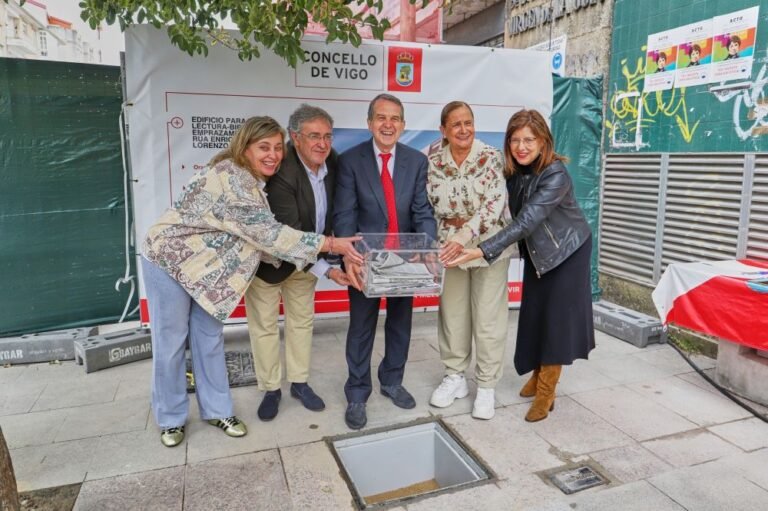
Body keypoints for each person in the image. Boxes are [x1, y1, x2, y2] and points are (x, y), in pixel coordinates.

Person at [141, 116, 361, 447]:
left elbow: (264, 246)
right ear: (245, 148)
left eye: (277, 147)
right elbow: (270, 235)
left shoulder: (254, 182)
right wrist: (331, 245)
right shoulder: (233, 177)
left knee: (209, 338)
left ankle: (217, 410)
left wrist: (327, 270)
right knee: (171, 343)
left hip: (208, 273)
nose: (273, 154)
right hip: (170, 261)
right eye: (263, 148)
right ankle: (171, 418)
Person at [446, 109, 594, 423]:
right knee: (536, 316)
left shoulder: (555, 174)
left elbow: (527, 221)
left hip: (566, 252)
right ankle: (538, 373)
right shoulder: (514, 171)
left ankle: (547, 391)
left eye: (529, 140)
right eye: (515, 140)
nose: (522, 146)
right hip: (540, 253)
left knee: (556, 323)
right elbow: (494, 205)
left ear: (543, 142)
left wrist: (482, 251)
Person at [333, 93, 437, 430]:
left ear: (403, 125)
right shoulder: (350, 161)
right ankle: (358, 392)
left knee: (400, 324)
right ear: (369, 123)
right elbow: (345, 214)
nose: (388, 124)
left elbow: (422, 210)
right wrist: (349, 257)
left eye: (395, 118)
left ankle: (392, 380)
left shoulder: (416, 161)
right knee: (361, 328)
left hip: (404, 260)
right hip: (366, 259)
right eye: (381, 117)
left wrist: (427, 248)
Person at [245, 105, 350, 422]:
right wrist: (328, 269)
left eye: (327, 136)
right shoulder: (280, 172)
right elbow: (287, 237)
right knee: (264, 326)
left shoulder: (331, 160)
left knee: (301, 321)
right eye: (314, 136)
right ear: (295, 138)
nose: (322, 143)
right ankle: (271, 388)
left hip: (308, 259)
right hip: (270, 263)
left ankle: (300, 383)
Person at [427, 101, 513, 420]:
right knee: (453, 314)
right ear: (444, 130)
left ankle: (487, 386)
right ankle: (455, 376)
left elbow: (494, 205)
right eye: (456, 125)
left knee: (488, 318)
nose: (463, 130)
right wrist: (438, 244)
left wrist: (461, 239)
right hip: (449, 249)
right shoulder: (432, 158)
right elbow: (425, 204)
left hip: (488, 247)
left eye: (468, 123)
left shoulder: (490, 156)